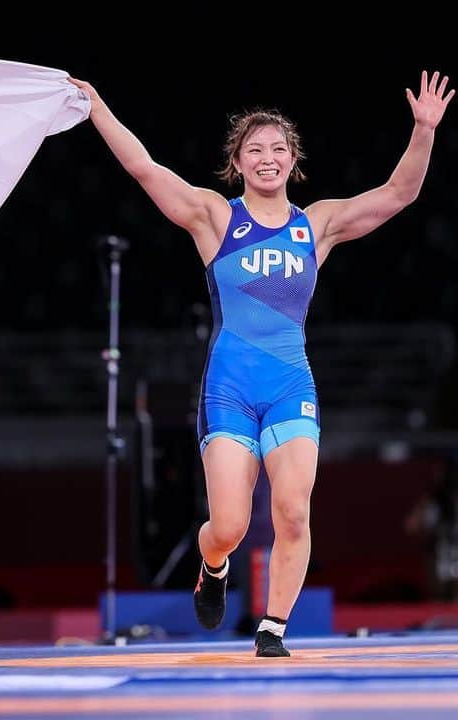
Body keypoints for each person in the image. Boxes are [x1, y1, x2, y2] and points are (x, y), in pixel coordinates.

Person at [70, 71, 452, 656]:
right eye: (255, 150)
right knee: (229, 526)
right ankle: (213, 563)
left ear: (293, 159)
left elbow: (398, 194)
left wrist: (423, 131)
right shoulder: (215, 219)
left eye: (278, 149)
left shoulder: (316, 224)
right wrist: (97, 106)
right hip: (229, 387)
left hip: (289, 384)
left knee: (294, 512)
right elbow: (145, 169)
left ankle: (272, 628)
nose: (267, 158)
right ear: (239, 163)